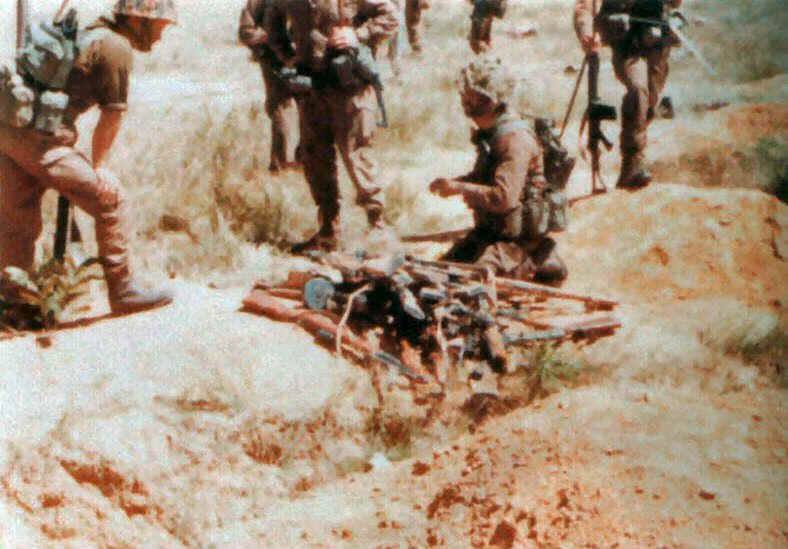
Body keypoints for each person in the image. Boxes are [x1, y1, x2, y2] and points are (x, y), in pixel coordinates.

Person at [0, 0, 177, 314]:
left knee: (17, 221)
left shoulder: (92, 33)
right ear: (139, 20)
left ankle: (15, 305)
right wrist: (99, 167)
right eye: (160, 28)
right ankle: (123, 291)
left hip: (11, 134)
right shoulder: (117, 47)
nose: (161, 37)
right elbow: (112, 115)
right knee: (111, 200)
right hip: (43, 142)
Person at [265, 0, 398, 253]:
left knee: (358, 156)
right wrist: (288, 57)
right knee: (315, 160)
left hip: (350, 88)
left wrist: (358, 35)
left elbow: (390, 15)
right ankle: (328, 230)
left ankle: (377, 227)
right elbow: (273, 21)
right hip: (312, 89)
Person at [429, 58, 567, 284]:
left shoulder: (514, 139)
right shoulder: (493, 133)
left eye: (470, 95)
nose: (464, 100)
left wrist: (458, 187)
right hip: (490, 234)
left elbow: (503, 198)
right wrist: (453, 183)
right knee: (440, 272)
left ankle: (538, 259)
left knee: (470, 284)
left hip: (516, 243)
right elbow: (483, 179)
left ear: (489, 99)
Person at [574, 0, 681, 188]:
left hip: (657, 43)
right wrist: (587, 32)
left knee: (648, 103)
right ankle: (632, 164)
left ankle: (632, 160)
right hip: (627, 44)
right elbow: (584, 7)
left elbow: (675, 3)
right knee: (638, 90)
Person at [239, 0, 301, 173]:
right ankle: (282, 166)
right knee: (281, 110)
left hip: (308, 59)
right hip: (274, 61)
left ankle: (304, 163)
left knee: (312, 109)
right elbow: (246, 32)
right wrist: (272, 40)